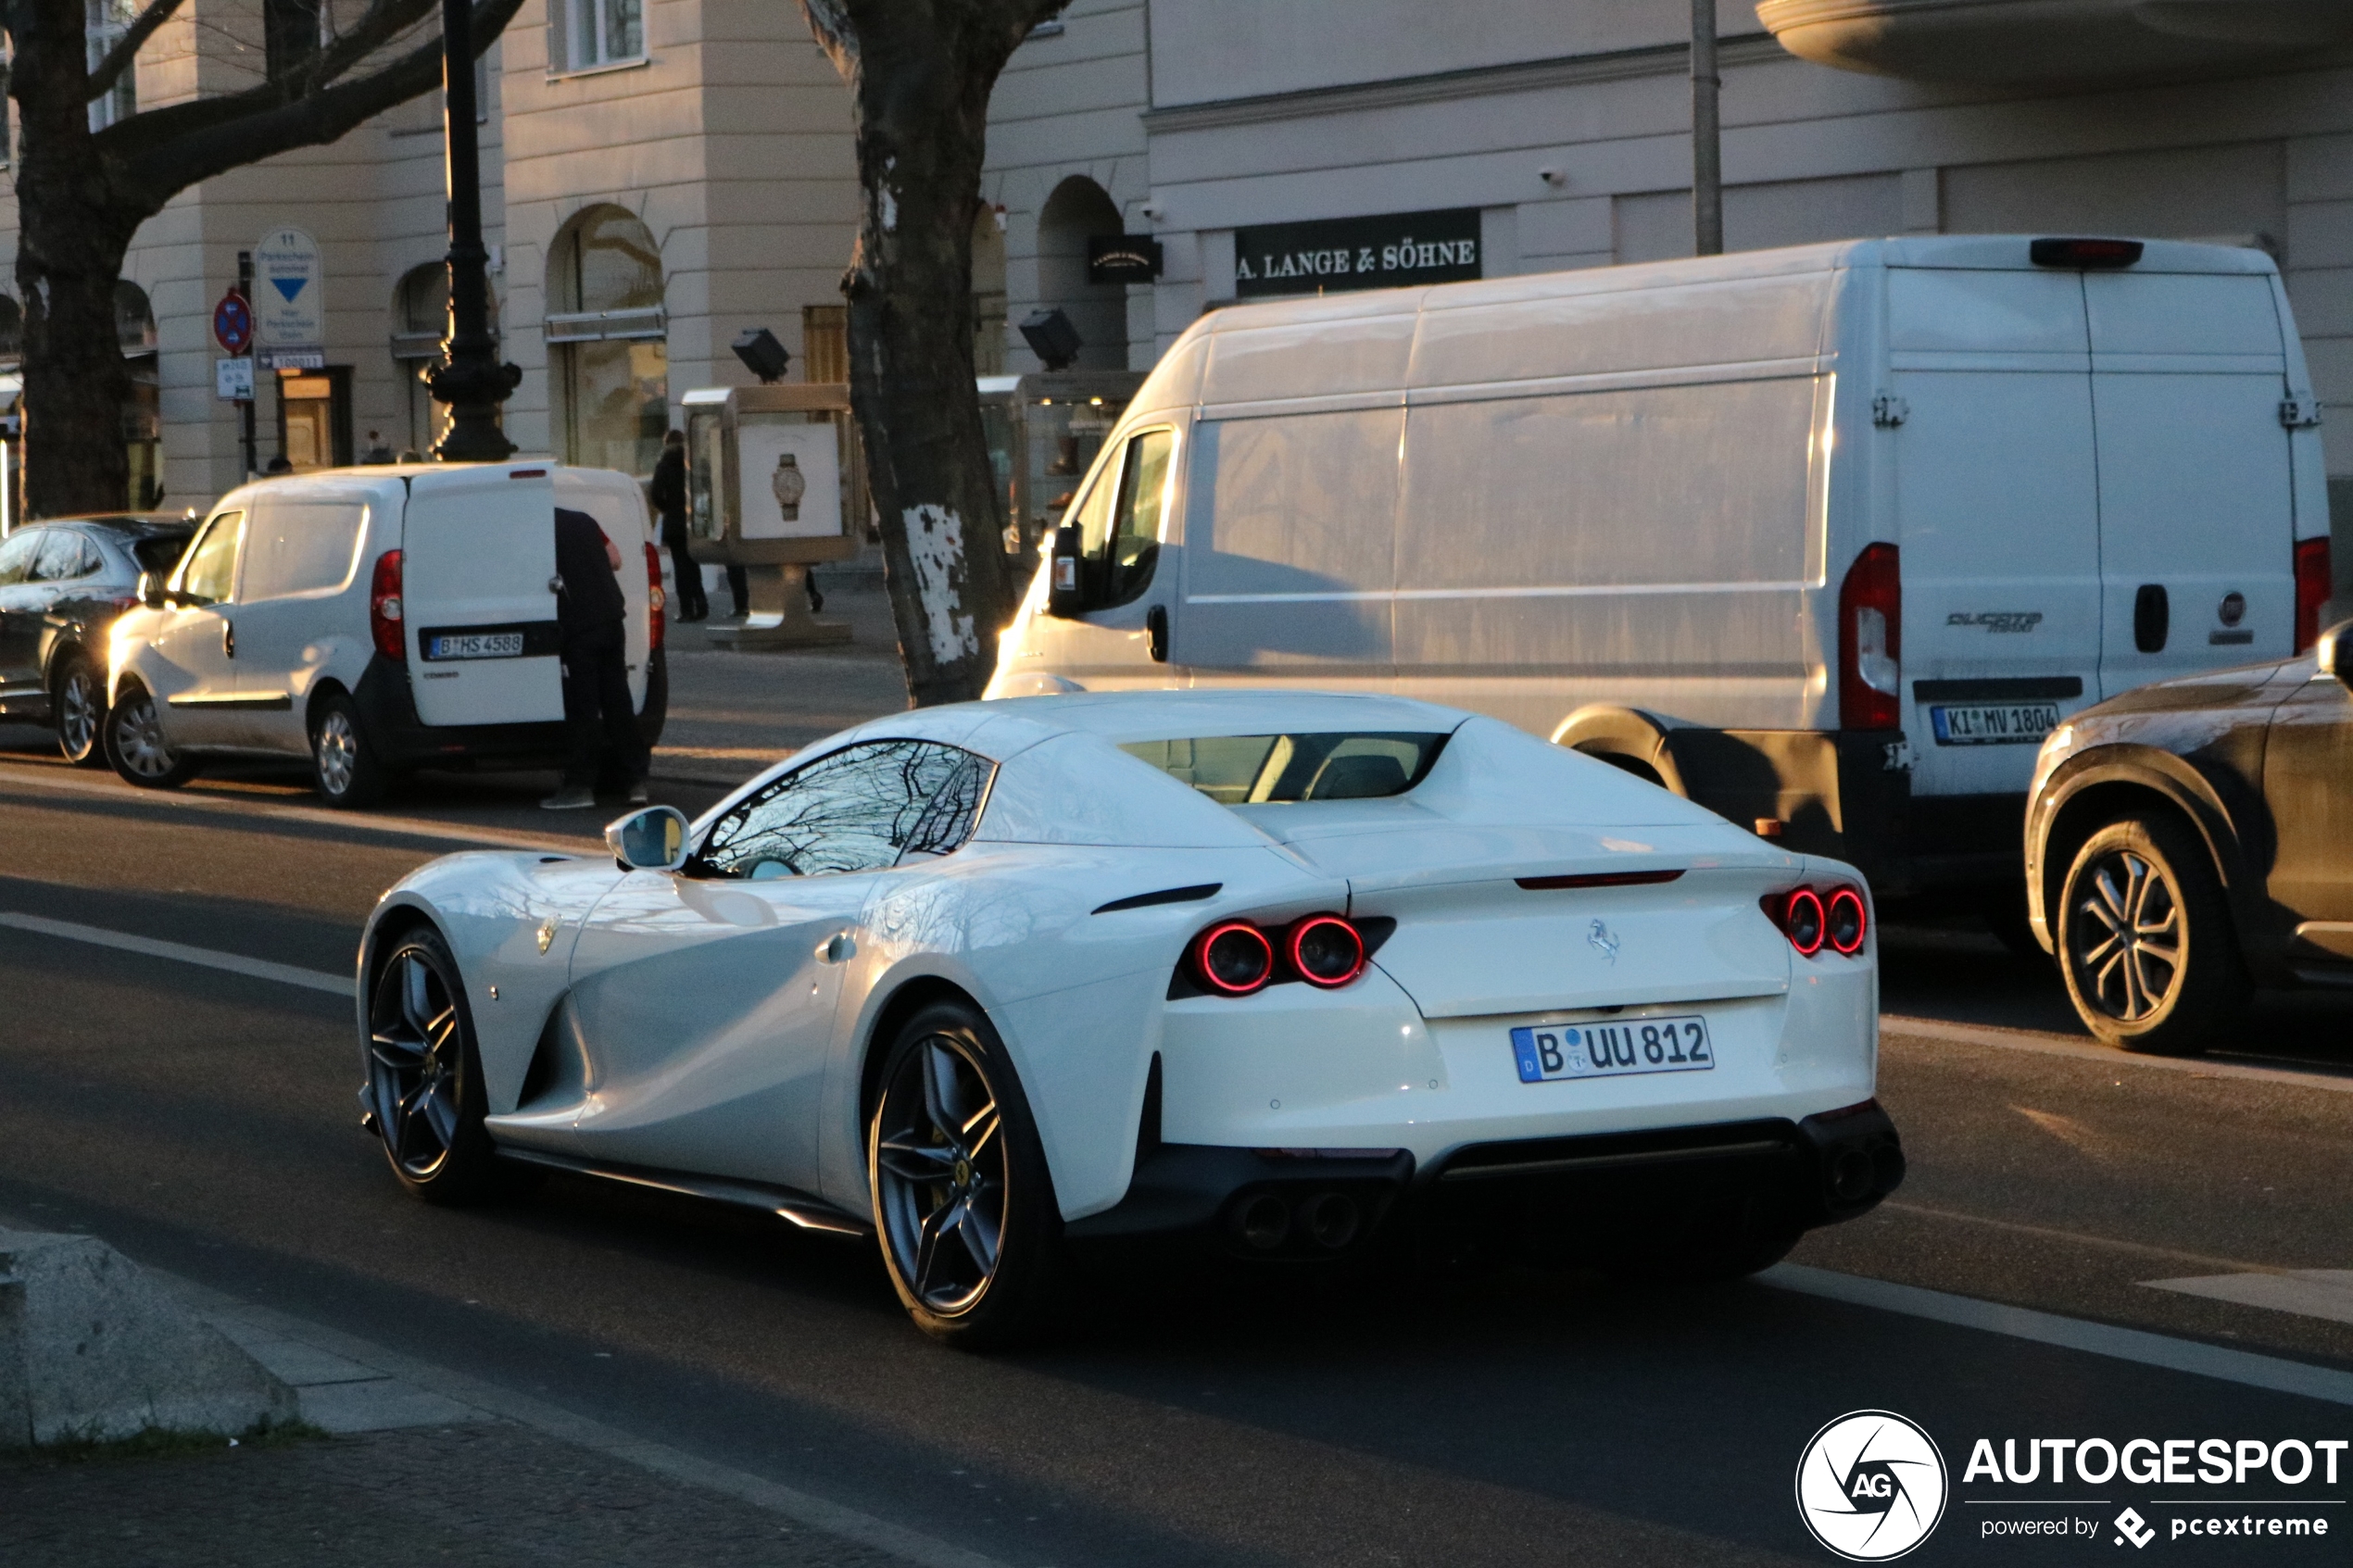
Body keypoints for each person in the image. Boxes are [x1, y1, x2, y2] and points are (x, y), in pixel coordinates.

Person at [542, 507, 650, 810]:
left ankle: (580, 786)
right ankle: (636, 782)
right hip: (611, 618)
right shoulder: (584, 520)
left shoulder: (535, 529)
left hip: (578, 625)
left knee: (583, 707)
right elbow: (615, 559)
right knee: (618, 702)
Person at [648, 429, 707, 621]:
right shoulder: (693, 463)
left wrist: (668, 509)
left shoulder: (663, 465)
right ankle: (701, 602)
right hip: (694, 519)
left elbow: (656, 493)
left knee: (680, 566)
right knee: (693, 562)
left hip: (674, 521)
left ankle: (686, 609)